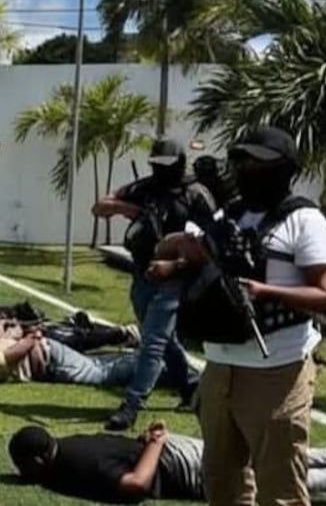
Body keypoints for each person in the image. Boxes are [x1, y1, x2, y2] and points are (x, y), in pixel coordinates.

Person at [179, 126, 326, 506]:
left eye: (257, 164)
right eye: (242, 161)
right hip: (220, 368)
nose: (245, 171)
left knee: (280, 489)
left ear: (284, 170)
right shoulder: (230, 213)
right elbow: (197, 254)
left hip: (278, 373)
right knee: (222, 483)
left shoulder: (306, 222)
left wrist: (266, 291)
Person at [91, 137, 216, 430]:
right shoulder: (145, 188)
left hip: (177, 276)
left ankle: (133, 403)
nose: (161, 171)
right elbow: (99, 207)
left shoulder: (196, 194)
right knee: (159, 337)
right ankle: (191, 387)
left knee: (153, 341)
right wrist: (129, 209)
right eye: (156, 165)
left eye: (166, 166)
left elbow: (211, 245)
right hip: (142, 272)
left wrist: (174, 264)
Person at [7, 424, 326, 505]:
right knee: (270, 462)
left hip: (176, 466)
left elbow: (136, 484)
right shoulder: (70, 444)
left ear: (40, 460)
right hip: (176, 449)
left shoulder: (75, 466)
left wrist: (155, 445)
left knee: (269, 483)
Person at [0, 329, 181, 389]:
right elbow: (3, 341)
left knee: (100, 374)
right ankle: (158, 365)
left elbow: (9, 355)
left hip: (46, 357)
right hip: (47, 355)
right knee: (101, 364)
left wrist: (31, 339)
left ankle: (153, 361)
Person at [0, 312, 139, 354]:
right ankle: (119, 335)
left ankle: (117, 334)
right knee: (71, 341)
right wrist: (4, 324)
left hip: (15, 329)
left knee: (70, 335)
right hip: (17, 335)